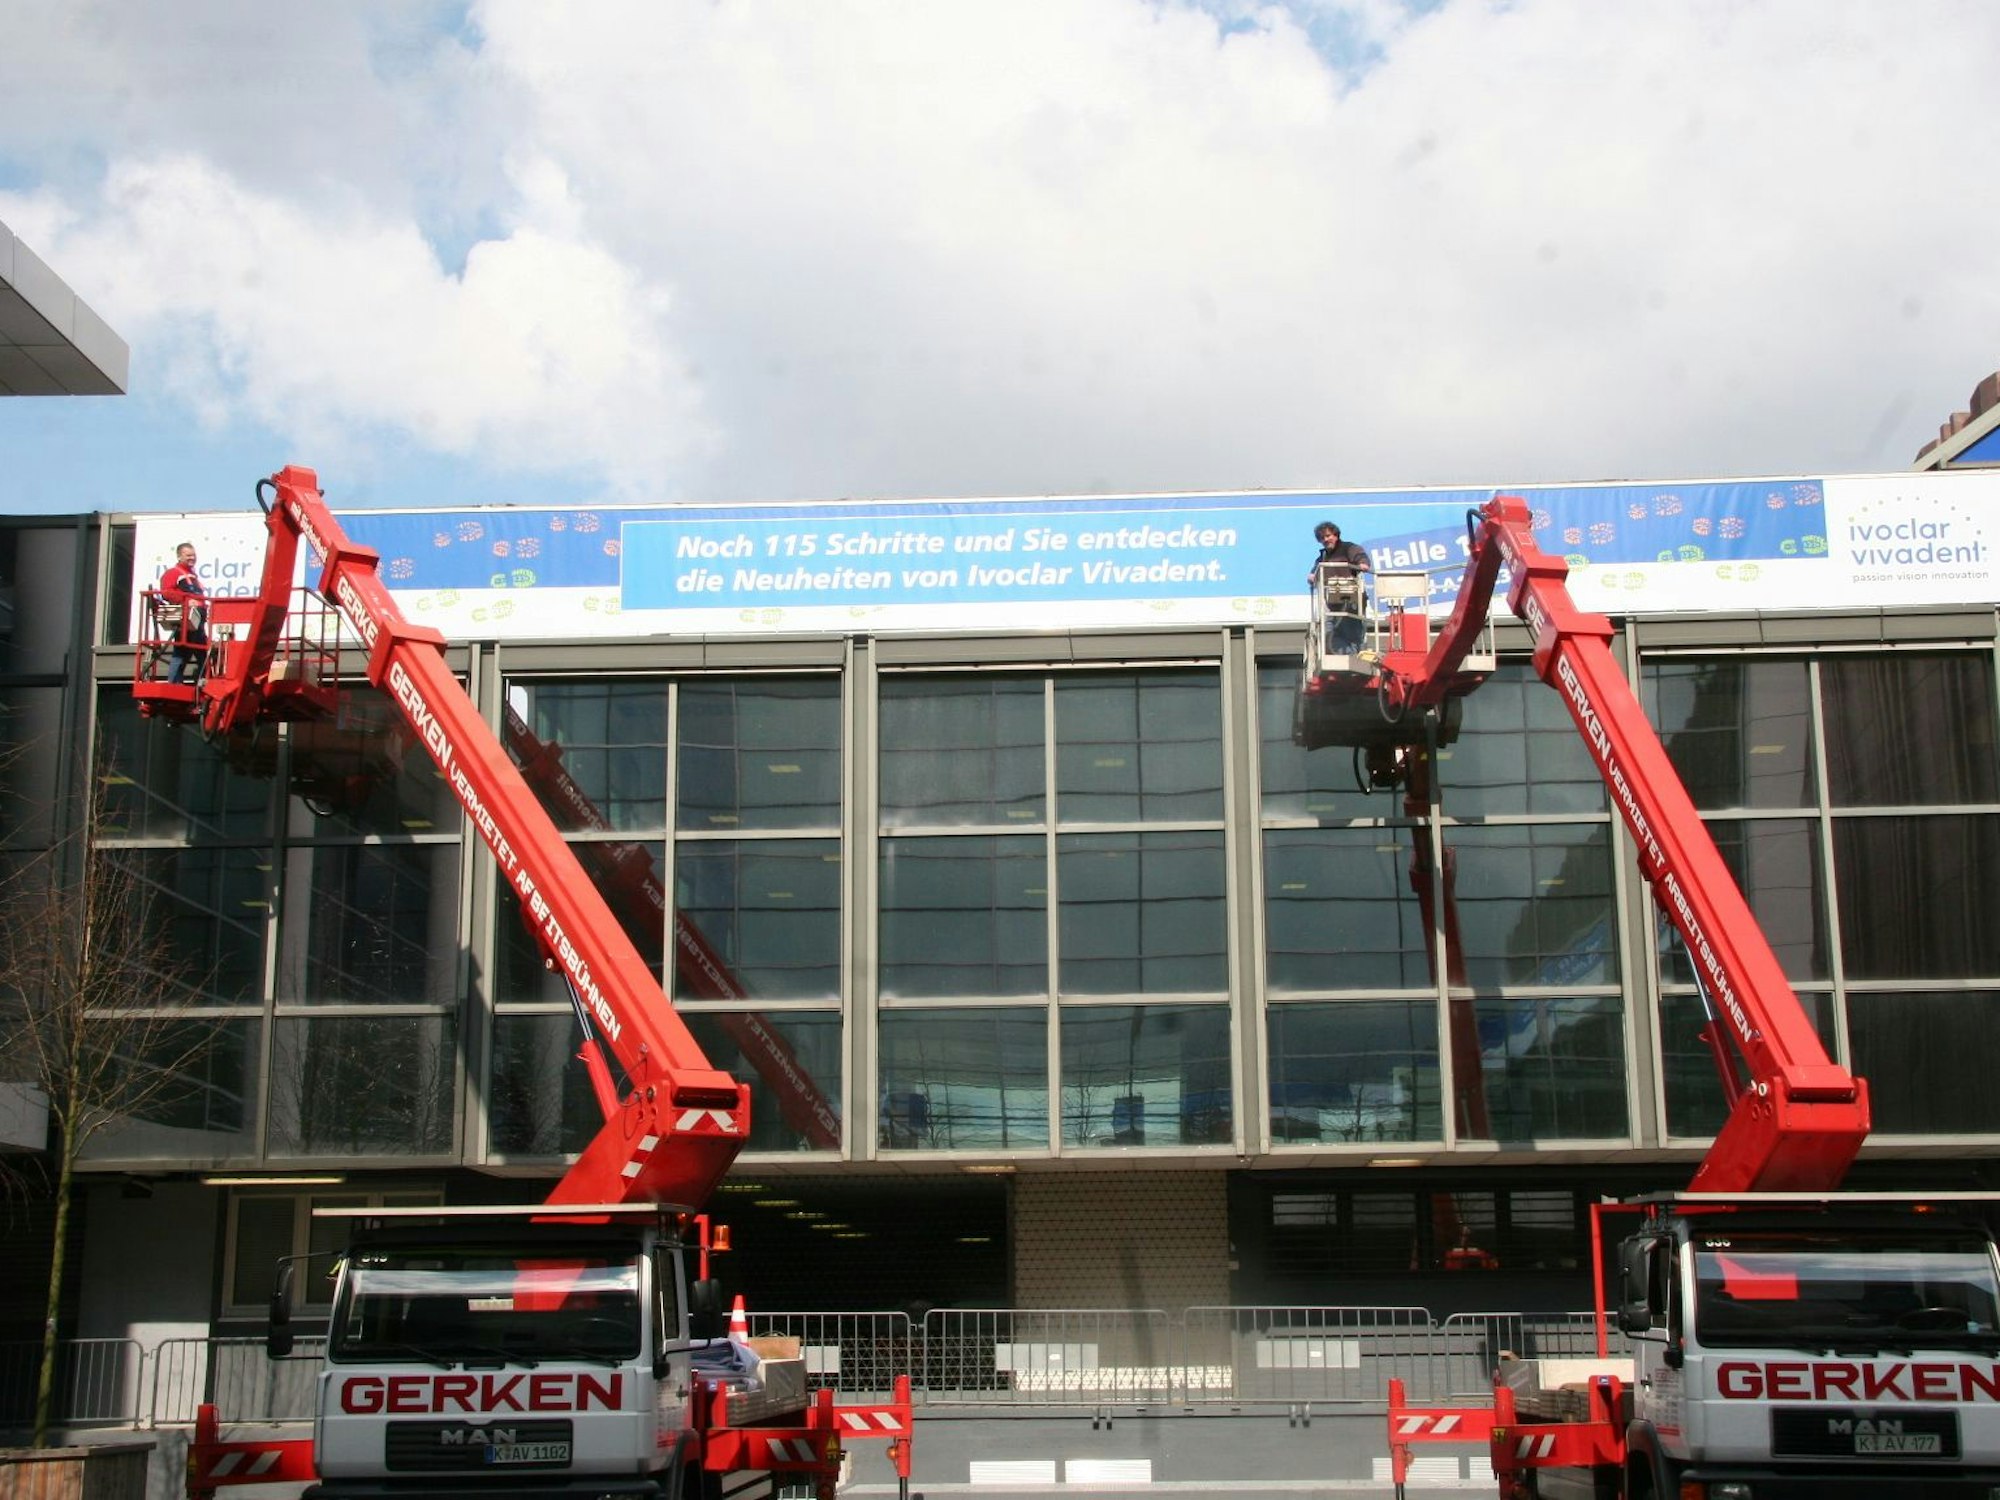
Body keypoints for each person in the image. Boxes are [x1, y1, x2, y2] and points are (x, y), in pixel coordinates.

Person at [1308, 521, 1371, 655]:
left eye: (1328, 536)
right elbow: (1315, 572)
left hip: (1352, 601)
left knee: (1352, 632)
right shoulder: (1323, 557)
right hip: (1333, 604)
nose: (1326, 540)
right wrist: (1312, 576)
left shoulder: (1348, 548)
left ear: (1336, 535)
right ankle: (1344, 656)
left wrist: (1363, 564)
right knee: (1328, 633)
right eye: (1322, 538)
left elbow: (1360, 557)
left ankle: (1355, 657)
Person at [159, 541, 208, 684]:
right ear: (179, 556)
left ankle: (201, 681)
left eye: (193, 555)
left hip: (197, 619)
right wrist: (186, 601)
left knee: (200, 652)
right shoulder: (173, 573)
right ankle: (175, 683)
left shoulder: (191, 575)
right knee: (183, 651)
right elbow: (166, 592)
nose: (192, 558)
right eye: (188, 555)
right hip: (188, 619)